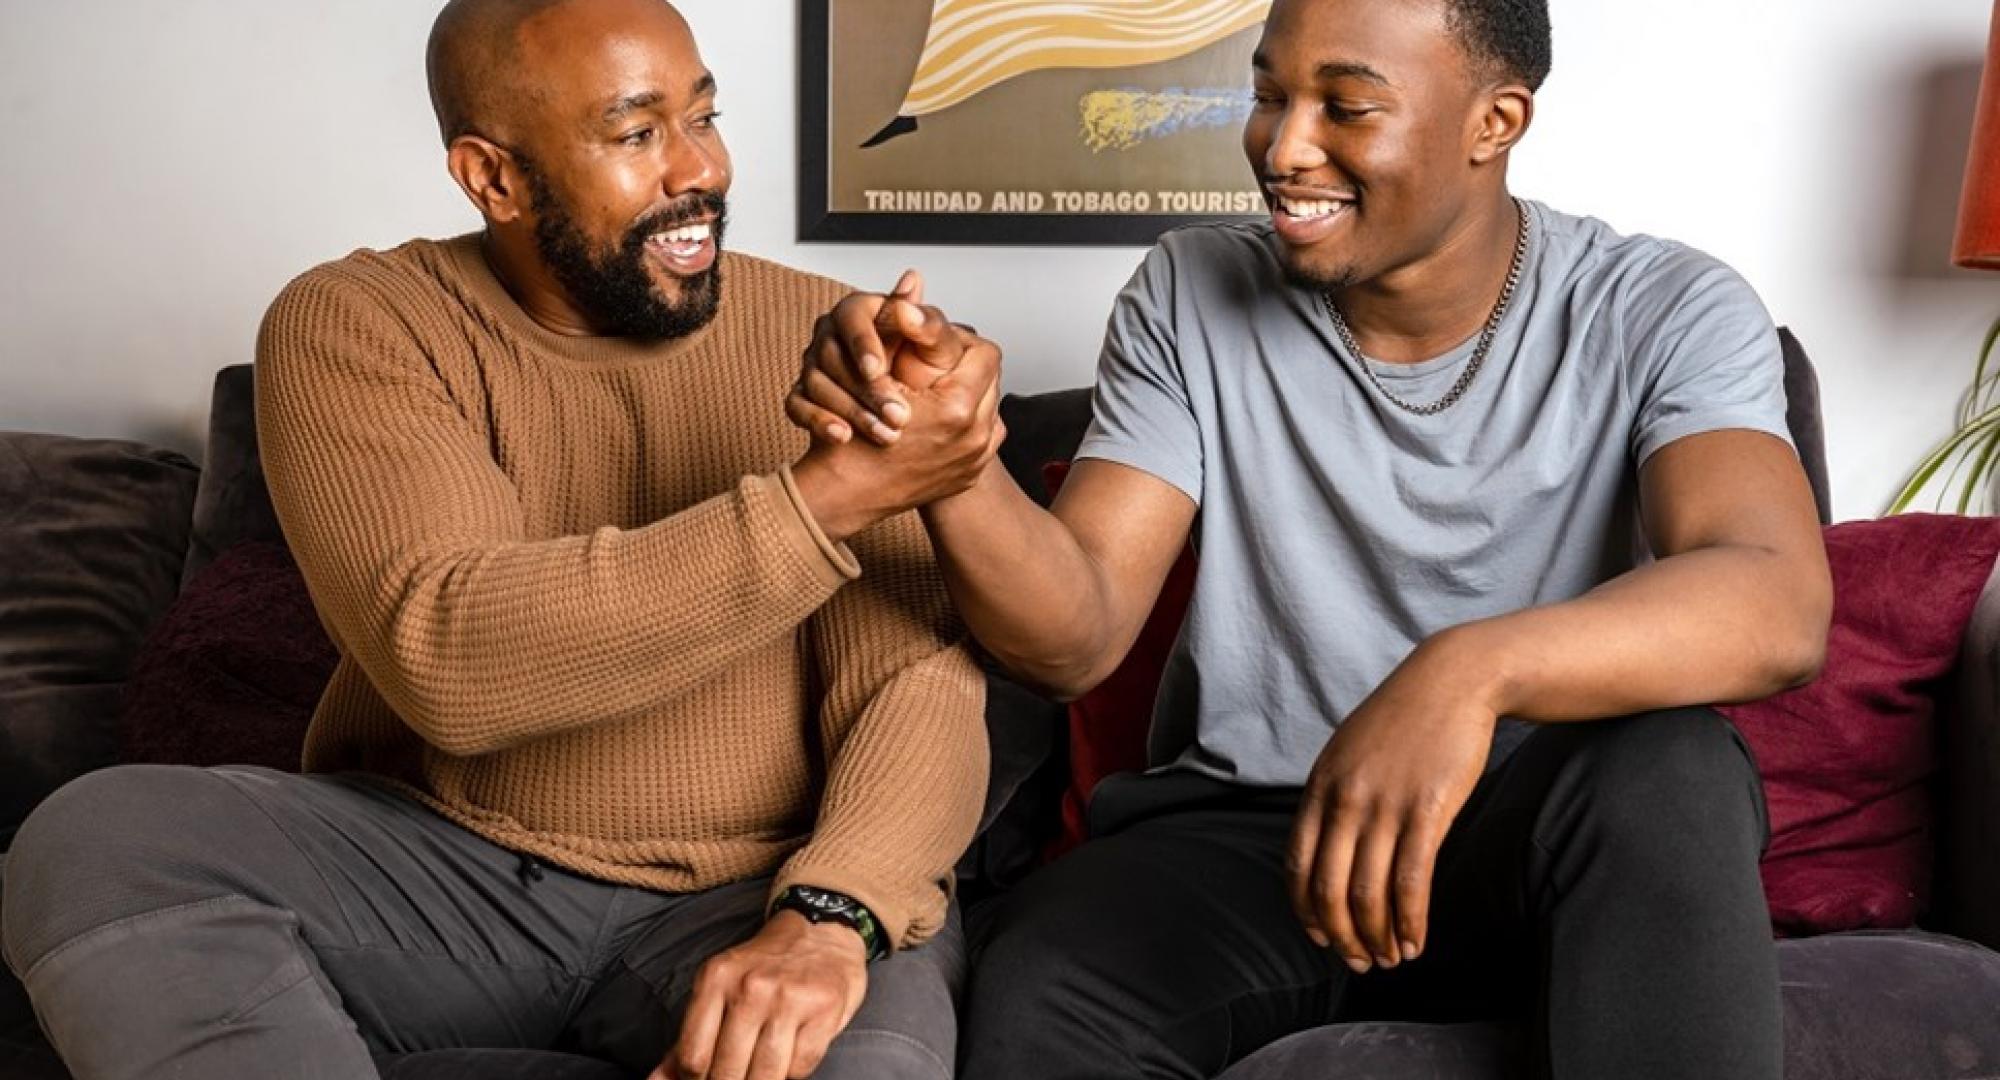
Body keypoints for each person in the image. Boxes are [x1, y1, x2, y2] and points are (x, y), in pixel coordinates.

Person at [786, 0, 1834, 1076]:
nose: (1283, 149)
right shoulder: (1188, 293)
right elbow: (1076, 636)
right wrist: (951, 462)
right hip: (1252, 840)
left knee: (1671, 766)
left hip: (1537, 838)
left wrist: (1466, 674)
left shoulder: (1664, 308)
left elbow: (1772, 597)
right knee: (1047, 978)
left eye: (1344, 106)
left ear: (1494, 120)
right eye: (1268, 96)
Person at [0, 2, 1002, 1078]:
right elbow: (450, 657)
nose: (697, 169)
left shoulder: (825, 333)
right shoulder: (360, 321)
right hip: (435, 871)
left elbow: (915, 684)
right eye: (636, 133)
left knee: (866, 1046)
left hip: (749, 892)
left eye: (704, 116)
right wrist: (826, 501)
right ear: (493, 180)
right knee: (101, 838)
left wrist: (826, 917)